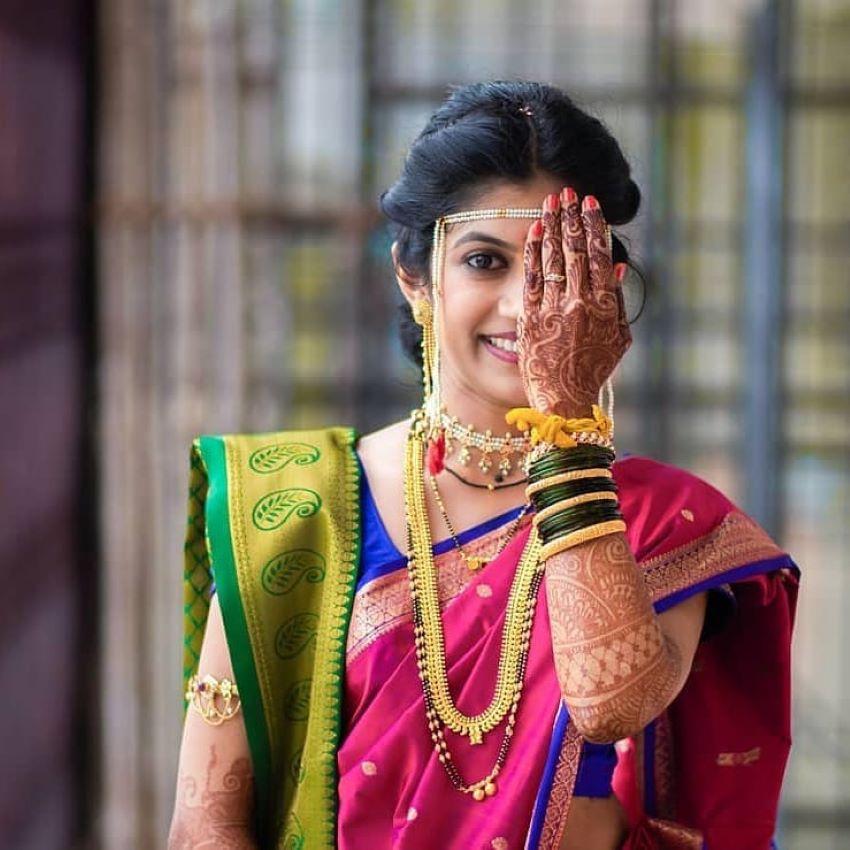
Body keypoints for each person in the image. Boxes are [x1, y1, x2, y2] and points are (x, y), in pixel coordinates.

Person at [168, 80, 800, 850]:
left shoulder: (662, 519)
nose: (521, 308)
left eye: (555, 269)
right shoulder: (292, 507)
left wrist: (567, 433)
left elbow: (610, 702)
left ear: (604, 287)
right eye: (484, 261)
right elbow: (208, 825)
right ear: (416, 279)